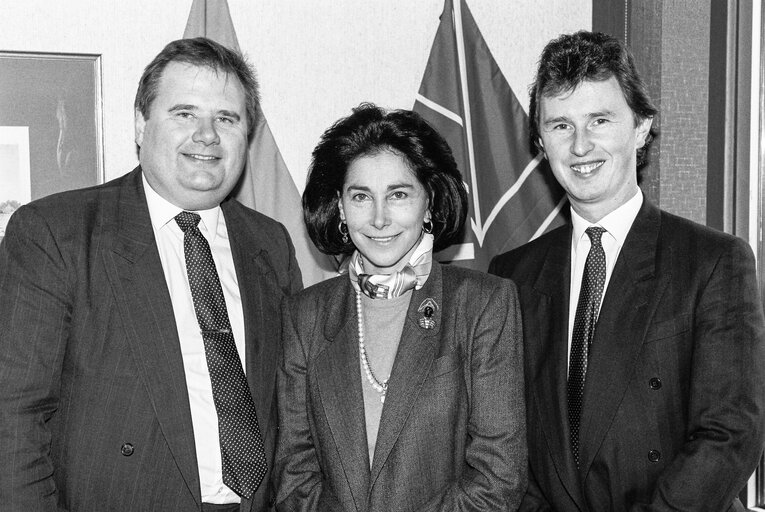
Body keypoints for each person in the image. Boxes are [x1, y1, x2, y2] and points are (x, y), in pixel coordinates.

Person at [0, 37, 302, 512]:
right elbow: (13, 419)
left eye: (226, 118)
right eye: (184, 113)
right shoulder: (57, 234)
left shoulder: (271, 243)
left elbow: (291, 411)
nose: (207, 135)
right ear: (141, 124)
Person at [489, 30, 765, 511]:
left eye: (599, 120)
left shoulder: (713, 262)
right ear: (539, 142)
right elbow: (507, 445)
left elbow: (730, 434)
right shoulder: (512, 276)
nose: (580, 145)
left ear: (641, 128)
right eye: (560, 126)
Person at [274, 103, 527, 511]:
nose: (378, 218)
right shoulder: (304, 316)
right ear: (340, 207)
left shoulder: (484, 305)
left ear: (428, 203)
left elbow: (499, 478)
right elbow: (293, 475)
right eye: (361, 197)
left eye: (398, 194)